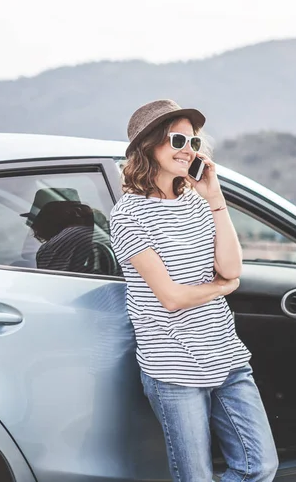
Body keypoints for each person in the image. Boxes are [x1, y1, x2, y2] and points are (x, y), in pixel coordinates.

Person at [110, 99, 278, 482]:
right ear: (149, 146)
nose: (189, 149)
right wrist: (221, 289)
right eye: (178, 139)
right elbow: (170, 297)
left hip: (226, 357)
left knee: (260, 466)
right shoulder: (128, 215)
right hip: (173, 368)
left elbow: (232, 269)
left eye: (194, 142)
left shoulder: (198, 203)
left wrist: (215, 198)